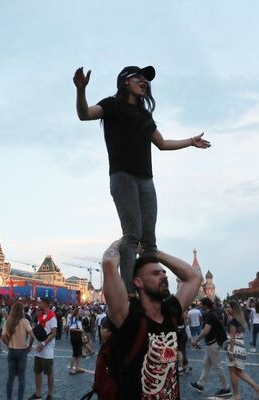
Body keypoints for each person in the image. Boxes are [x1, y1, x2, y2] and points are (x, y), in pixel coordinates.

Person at [74, 66, 210, 296]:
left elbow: (163, 143)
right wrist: (80, 90)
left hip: (146, 180)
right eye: (138, 77)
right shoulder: (111, 105)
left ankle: (150, 289)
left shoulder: (144, 115)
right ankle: (130, 293)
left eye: (146, 79)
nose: (144, 81)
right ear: (125, 82)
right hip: (122, 177)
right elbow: (84, 113)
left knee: (150, 240)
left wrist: (190, 141)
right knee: (132, 235)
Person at [102, 238, 202, 399]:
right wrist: (125, 239)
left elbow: (194, 276)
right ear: (138, 282)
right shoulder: (128, 316)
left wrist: (154, 253)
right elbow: (108, 263)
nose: (163, 276)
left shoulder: (170, 311)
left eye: (164, 273)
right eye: (156, 273)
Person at [189, 297, 231, 397]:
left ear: (205, 305)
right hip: (211, 343)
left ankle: (226, 388)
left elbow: (206, 331)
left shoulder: (210, 315)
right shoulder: (211, 313)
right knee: (206, 364)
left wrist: (196, 340)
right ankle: (200, 384)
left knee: (217, 366)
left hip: (213, 343)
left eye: (201, 304)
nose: (200, 305)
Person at [225, 301, 259, 400]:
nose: (227, 309)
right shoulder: (240, 320)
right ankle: (255, 388)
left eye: (228, 307)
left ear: (233, 309)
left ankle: (237, 395)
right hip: (241, 347)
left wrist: (230, 351)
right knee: (238, 372)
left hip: (234, 348)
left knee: (233, 372)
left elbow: (232, 338)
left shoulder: (233, 322)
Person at [2, 302, 34, 400]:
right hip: (22, 351)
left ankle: (9, 398)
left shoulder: (8, 321)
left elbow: (3, 337)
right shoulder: (25, 321)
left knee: (10, 377)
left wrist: (9, 343)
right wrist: (29, 346)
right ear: (21, 310)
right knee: (21, 378)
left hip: (12, 350)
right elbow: (32, 336)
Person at [28, 297, 57, 400]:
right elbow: (38, 328)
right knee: (37, 372)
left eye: (40, 303)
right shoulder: (40, 316)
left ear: (46, 304)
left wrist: (43, 343)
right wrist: (37, 313)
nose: (39, 305)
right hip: (39, 350)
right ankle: (38, 394)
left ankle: (50, 394)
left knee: (49, 373)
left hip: (47, 350)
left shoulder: (52, 317)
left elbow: (54, 333)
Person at [67, 308, 85, 375]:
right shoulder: (73, 318)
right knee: (75, 354)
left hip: (79, 337)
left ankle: (77, 368)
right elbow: (71, 328)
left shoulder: (79, 319)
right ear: (77, 312)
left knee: (79, 354)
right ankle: (71, 369)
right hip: (75, 338)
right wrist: (80, 330)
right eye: (80, 311)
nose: (81, 312)